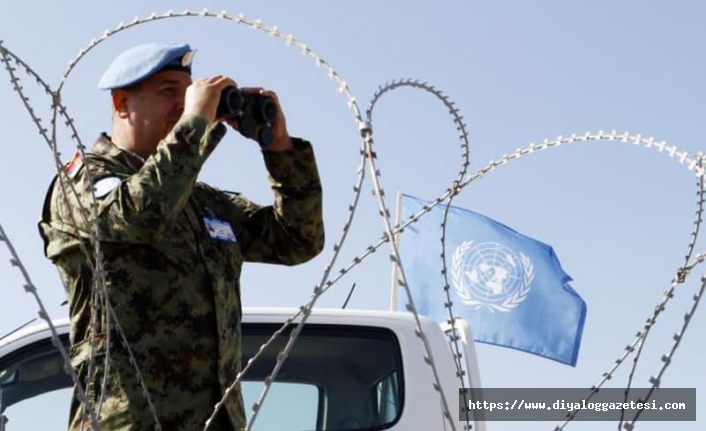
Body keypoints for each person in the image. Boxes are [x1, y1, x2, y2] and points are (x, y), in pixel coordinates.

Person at [38, 42, 325, 431]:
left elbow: (296, 240)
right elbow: (140, 213)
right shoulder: (83, 182)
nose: (184, 105)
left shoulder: (199, 202)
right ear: (122, 103)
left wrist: (280, 149)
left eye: (189, 94)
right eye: (169, 92)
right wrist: (193, 123)